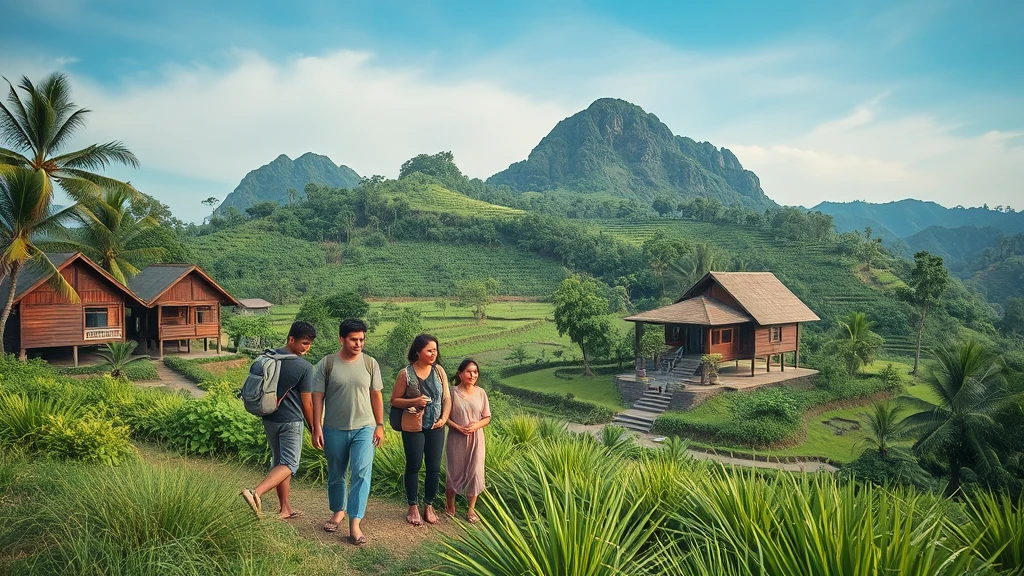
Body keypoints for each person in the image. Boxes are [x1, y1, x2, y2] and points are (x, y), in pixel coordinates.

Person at [311, 318, 385, 546]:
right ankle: (337, 511)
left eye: (362, 339)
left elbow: (376, 395)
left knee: (362, 473)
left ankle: (355, 522)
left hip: (365, 427)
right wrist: (317, 427)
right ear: (341, 339)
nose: (358, 343)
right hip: (334, 428)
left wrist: (380, 424)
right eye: (354, 339)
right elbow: (317, 398)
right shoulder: (327, 364)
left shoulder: (370, 363)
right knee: (336, 473)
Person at [241, 321, 317, 520]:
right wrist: (315, 428)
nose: (306, 349)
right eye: (304, 343)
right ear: (291, 339)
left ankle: (285, 509)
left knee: (280, 464)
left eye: (309, 344)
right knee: (290, 464)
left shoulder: (267, 357)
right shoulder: (304, 367)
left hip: (269, 419)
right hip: (291, 421)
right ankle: (255, 493)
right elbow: (307, 404)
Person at [391, 334, 451, 526]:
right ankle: (412, 506)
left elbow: (447, 399)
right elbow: (395, 400)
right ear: (418, 351)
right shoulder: (406, 374)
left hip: (436, 426)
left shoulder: (439, 372)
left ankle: (429, 505)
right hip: (413, 427)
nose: (433, 353)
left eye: (435, 350)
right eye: (429, 350)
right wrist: (415, 401)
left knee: (433, 468)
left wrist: (444, 418)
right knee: (414, 466)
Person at [444, 358, 490, 523]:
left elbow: (486, 417)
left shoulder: (481, 393)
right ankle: (450, 503)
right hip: (456, 438)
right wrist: (457, 427)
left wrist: (475, 426)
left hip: (476, 438)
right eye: (469, 371)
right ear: (460, 374)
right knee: (454, 471)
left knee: (475, 471)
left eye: (475, 372)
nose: (473, 375)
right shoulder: (452, 392)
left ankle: (471, 509)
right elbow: (445, 417)